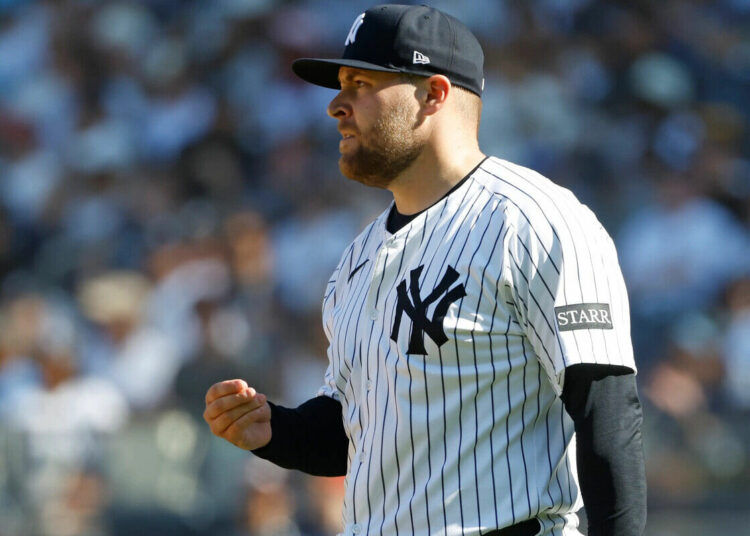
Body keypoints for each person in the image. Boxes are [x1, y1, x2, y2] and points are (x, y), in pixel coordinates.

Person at [203, 4, 646, 536]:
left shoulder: (533, 220)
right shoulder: (357, 259)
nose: (336, 106)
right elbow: (356, 433)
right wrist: (276, 429)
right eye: (340, 84)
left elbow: (608, 414)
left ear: (434, 94)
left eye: (362, 83)